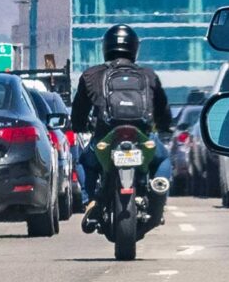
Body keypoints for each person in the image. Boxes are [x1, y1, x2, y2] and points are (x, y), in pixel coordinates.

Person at [71, 24, 172, 233]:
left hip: (105, 137)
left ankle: (90, 200)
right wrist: (164, 127)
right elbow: (162, 109)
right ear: (134, 48)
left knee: (84, 162)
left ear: (106, 47)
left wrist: (80, 125)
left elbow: (79, 110)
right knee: (163, 159)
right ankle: (159, 190)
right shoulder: (148, 75)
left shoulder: (92, 75)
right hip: (142, 136)